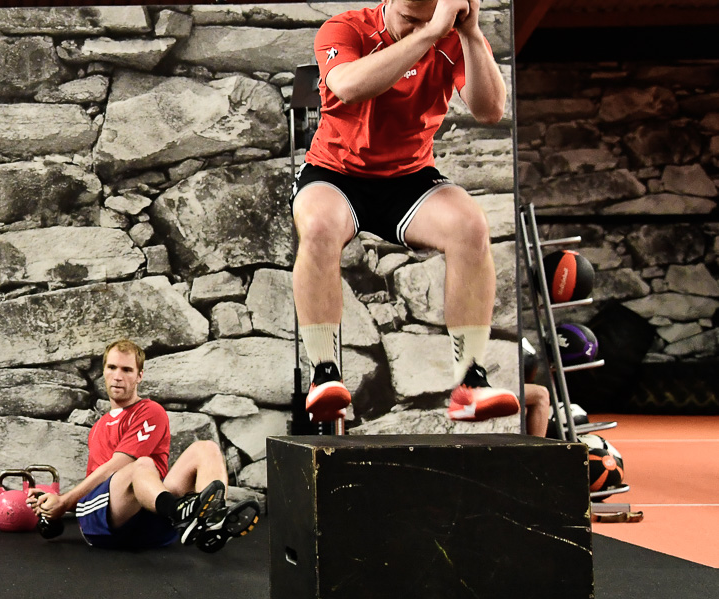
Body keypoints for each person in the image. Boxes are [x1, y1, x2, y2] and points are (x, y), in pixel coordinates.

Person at [293, 0, 519, 424]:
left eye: (430, 17)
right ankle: (325, 374)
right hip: (335, 172)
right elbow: (348, 87)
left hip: (408, 177)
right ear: (389, 2)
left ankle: (470, 382)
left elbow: (490, 111)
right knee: (319, 225)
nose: (418, 26)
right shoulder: (345, 29)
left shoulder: (454, 36)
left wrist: (469, 34)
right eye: (409, 19)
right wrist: (429, 33)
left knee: (470, 226)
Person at [26, 339, 259, 553]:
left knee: (206, 449)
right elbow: (99, 489)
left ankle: (209, 524)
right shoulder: (100, 426)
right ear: (104, 373)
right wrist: (57, 504)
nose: (118, 376)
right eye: (112, 368)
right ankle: (180, 511)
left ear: (139, 376)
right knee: (142, 464)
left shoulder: (149, 412)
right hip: (103, 526)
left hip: (153, 521)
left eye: (127, 370)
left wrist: (63, 502)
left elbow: (122, 464)